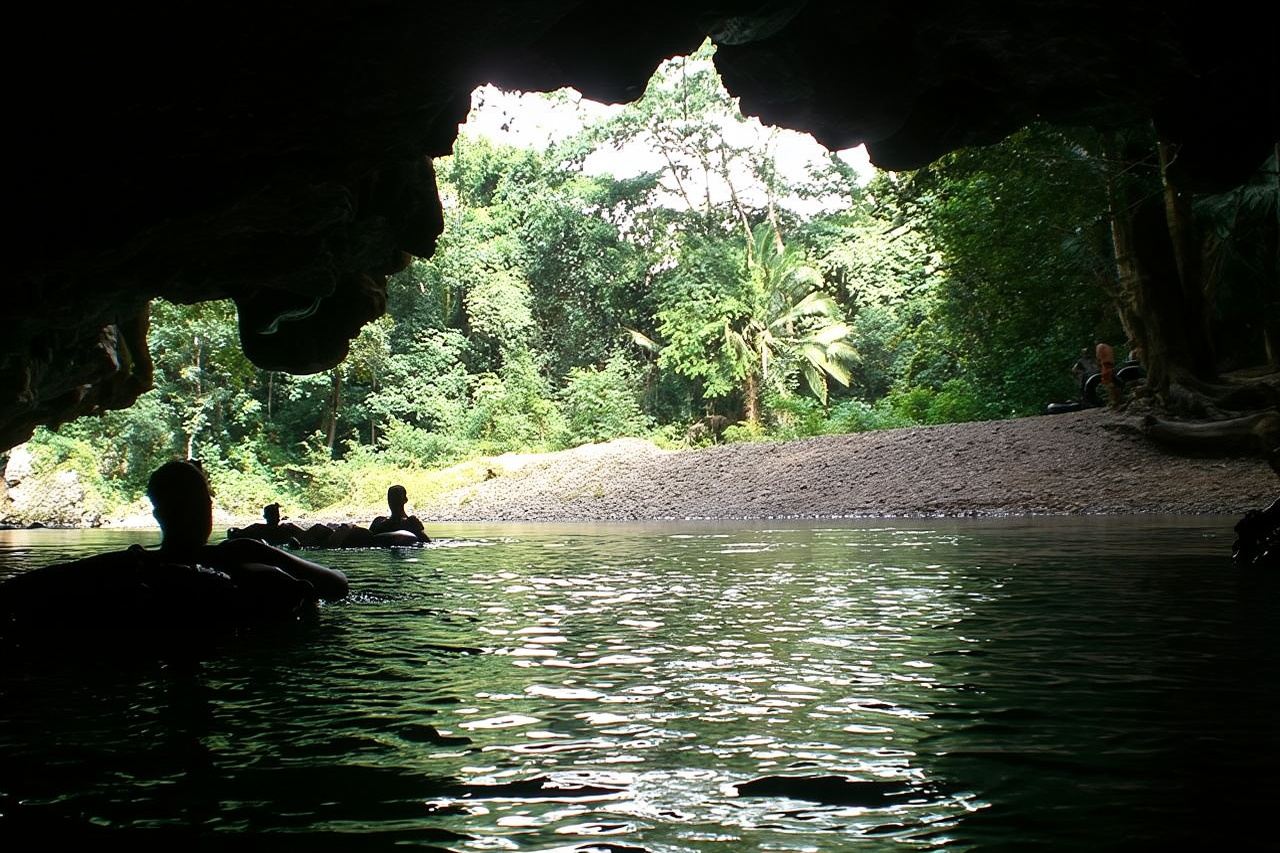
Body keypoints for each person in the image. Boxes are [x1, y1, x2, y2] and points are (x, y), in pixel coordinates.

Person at [0, 460, 348, 641]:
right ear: (208, 507)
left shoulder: (131, 563)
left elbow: (27, 589)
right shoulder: (238, 556)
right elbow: (336, 585)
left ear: (156, 511)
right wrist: (268, 554)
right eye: (200, 504)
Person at [227, 502, 308, 547]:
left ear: (264, 516)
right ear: (279, 517)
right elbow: (306, 535)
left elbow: (234, 533)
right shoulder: (288, 528)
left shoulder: (258, 528)